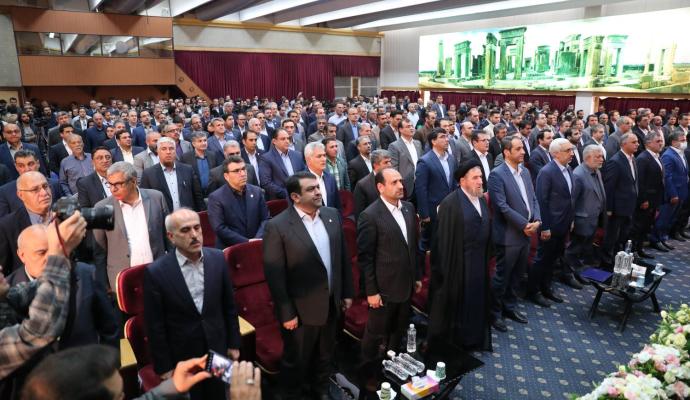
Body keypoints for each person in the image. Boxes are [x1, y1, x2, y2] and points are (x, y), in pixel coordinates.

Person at [263, 171, 354, 399]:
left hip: (331, 303)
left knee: (326, 355)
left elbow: (342, 257)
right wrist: (287, 313)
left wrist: (346, 292)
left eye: (317, 187)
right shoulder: (278, 226)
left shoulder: (332, 215)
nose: (317, 192)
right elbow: (275, 276)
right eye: (311, 189)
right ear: (295, 197)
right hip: (300, 312)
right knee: (297, 362)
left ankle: (321, 390)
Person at [145, 208, 241, 400]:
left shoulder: (218, 258)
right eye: (185, 230)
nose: (194, 235)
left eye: (197, 228)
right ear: (171, 237)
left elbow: (229, 306)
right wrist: (165, 367)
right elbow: (155, 326)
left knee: (220, 394)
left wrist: (234, 343)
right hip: (182, 355)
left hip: (217, 348)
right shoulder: (156, 272)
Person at [0, 212, 86, 380]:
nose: (1, 268)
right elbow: (39, 331)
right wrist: (58, 255)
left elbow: (36, 288)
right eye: (41, 252)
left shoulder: (6, 299)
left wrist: (60, 242)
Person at [8, 224, 118, 349]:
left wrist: (107, 360)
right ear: (22, 255)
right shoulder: (8, 292)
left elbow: (109, 330)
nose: (49, 258)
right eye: (41, 253)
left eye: (53, 250)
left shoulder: (86, 274)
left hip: (87, 359)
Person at [427, 160, 492, 352]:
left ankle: (474, 339)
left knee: (477, 301)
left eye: (481, 177)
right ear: (462, 181)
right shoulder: (450, 204)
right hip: (458, 266)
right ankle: (459, 344)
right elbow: (442, 243)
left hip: (479, 263)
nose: (480, 181)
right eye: (475, 178)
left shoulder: (481, 199)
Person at [358, 168, 420, 362]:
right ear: (380, 187)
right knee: (376, 334)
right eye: (394, 182)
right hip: (383, 289)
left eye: (401, 181)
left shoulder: (409, 208)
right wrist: (371, 292)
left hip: (406, 284)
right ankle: (368, 369)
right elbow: (366, 258)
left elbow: (413, 246)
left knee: (398, 329)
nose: (401, 186)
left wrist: (417, 276)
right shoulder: (370, 215)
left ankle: (392, 362)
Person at [488, 136, 540, 333]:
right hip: (509, 234)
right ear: (506, 152)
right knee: (502, 276)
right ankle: (495, 313)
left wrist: (537, 220)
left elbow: (533, 198)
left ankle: (510, 307)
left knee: (518, 274)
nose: (523, 152)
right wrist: (524, 224)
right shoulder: (497, 175)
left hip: (526, 232)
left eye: (522, 148)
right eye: (518, 149)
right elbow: (501, 206)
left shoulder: (525, 171)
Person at [93, 161, 170, 288]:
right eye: (109, 184)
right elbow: (99, 251)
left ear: (133, 181)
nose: (113, 189)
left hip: (158, 272)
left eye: (118, 184)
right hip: (123, 280)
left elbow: (169, 237)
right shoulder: (101, 208)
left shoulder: (156, 198)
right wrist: (104, 285)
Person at [527, 138, 575, 307]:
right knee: (542, 259)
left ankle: (546, 287)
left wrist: (571, 220)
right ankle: (533, 291)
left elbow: (569, 198)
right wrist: (545, 227)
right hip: (550, 225)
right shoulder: (547, 172)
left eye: (572, 149)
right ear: (556, 154)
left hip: (563, 224)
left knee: (553, 259)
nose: (572, 153)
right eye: (568, 150)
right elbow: (542, 201)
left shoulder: (569, 169)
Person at [564, 145, 607, 282]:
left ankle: (580, 271)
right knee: (574, 249)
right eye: (598, 157)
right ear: (587, 158)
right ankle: (569, 274)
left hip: (593, 218)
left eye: (602, 156)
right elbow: (572, 200)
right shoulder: (578, 174)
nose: (602, 159)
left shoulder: (596, 170)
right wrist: (571, 220)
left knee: (584, 248)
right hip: (581, 220)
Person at [208, 155, 269, 248]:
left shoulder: (257, 192)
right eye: (236, 171)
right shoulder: (216, 198)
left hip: (258, 244)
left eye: (243, 169)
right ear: (226, 176)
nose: (243, 174)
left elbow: (266, 219)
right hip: (231, 248)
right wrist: (247, 242)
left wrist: (257, 239)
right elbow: (219, 228)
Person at [0, 171, 54, 274]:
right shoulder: (6, 227)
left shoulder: (65, 215)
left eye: (45, 186)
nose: (44, 193)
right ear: (20, 195)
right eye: (35, 190)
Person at [415, 128, 457, 255]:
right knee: (434, 244)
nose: (447, 139)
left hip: (450, 208)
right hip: (433, 211)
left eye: (447, 136)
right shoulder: (425, 161)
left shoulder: (451, 159)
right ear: (433, 141)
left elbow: (453, 183)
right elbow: (421, 189)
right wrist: (424, 214)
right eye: (442, 137)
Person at [602, 133, 640, 268]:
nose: (637, 144)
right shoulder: (616, 161)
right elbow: (609, 187)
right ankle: (606, 261)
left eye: (637, 142)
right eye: (634, 142)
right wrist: (609, 208)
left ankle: (616, 258)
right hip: (617, 207)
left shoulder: (632, 158)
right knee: (612, 235)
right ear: (624, 144)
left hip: (629, 205)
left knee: (623, 235)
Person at [140, 137, 205, 213]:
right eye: (164, 149)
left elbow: (198, 196)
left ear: (175, 151)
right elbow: (145, 200)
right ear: (158, 151)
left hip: (187, 216)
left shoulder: (188, 170)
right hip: (163, 218)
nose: (168, 152)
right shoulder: (149, 174)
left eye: (171, 149)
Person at [651, 130, 688, 251]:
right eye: (682, 140)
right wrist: (673, 194)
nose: (685, 142)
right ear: (673, 142)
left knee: (670, 219)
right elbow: (667, 177)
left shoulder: (680, 153)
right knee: (663, 218)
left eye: (685, 140)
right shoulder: (668, 155)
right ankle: (656, 239)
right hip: (671, 195)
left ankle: (663, 238)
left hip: (681, 192)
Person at [0, 151, 61, 218]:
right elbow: (4, 221)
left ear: (38, 163)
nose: (27, 169)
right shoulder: (5, 192)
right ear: (16, 167)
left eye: (31, 164)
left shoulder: (55, 184)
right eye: (21, 166)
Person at [632, 132, 664, 257]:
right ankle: (633, 251)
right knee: (638, 226)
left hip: (654, 199)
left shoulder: (657, 156)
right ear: (648, 143)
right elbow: (640, 181)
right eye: (658, 141)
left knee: (646, 226)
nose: (661, 143)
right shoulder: (643, 158)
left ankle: (640, 249)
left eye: (661, 141)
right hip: (645, 200)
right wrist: (643, 200)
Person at [259, 128, 306, 200]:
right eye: (283, 139)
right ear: (274, 141)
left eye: (288, 138)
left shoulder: (297, 155)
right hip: (280, 199)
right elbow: (266, 183)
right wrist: (286, 194)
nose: (287, 141)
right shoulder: (266, 158)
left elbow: (304, 175)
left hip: (300, 196)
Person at [388, 118, 422, 201]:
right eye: (408, 126)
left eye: (412, 126)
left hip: (420, 183)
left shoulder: (418, 143)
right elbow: (393, 168)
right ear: (400, 129)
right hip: (405, 185)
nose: (411, 128)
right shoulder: (394, 146)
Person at [353, 150, 392, 218]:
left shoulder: (394, 180)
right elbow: (359, 214)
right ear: (375, 165)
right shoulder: (362, 185)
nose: (390, 165)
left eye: (390, 162)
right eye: (386, 162)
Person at [181, 132, 220, 196]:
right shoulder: (185, 157)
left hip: (213, 192)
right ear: (193, 144)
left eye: (205, 140)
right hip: (195, 194)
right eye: (200, 141)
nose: (203, 143)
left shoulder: (213, 155)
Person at [305, 142, 341, 210]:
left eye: (324, 155)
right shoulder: (301, 180)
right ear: (308, 160)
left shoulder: (331, 178)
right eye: (319, 156)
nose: (324, 159)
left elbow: (337, 205)